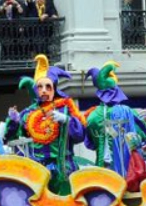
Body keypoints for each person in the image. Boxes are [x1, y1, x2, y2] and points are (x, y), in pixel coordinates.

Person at [5, 55, 87, 196]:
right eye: (40, 87)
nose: (44, 90)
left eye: (48, 87)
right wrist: (14, 122)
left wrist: (66, 120)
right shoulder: (28, 113)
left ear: (54, 89)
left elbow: (80, 135)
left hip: (63, 168)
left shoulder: (65, 108)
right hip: (38, 170)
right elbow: (12, 139)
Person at [83, 61, 146, 180]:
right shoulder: (129, 112)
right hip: (130, 172)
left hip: (104, 171)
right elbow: (144, 135)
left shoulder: (92, 117)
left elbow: (90, 144)